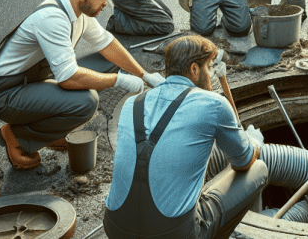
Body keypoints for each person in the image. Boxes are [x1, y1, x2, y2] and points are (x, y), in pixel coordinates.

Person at [0, 0, 157, 170]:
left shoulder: (78, 12)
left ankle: (48, 133)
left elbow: (107, 44)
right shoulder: (53, 19)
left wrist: (145, 74)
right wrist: (120, 79)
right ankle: (16, 136)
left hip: (32, 80)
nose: (106, 3)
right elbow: (68, 78)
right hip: (7, 92)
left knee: (108, 60)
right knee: (85, 101)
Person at [104, 35, 268, 239]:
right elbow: (243, 162)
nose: (212, 74)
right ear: (194, 69)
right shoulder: (214, 104)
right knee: (259, 169)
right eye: (209, 67)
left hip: (115, 229)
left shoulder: (132, 104)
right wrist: (254, 142)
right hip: (174, 234)